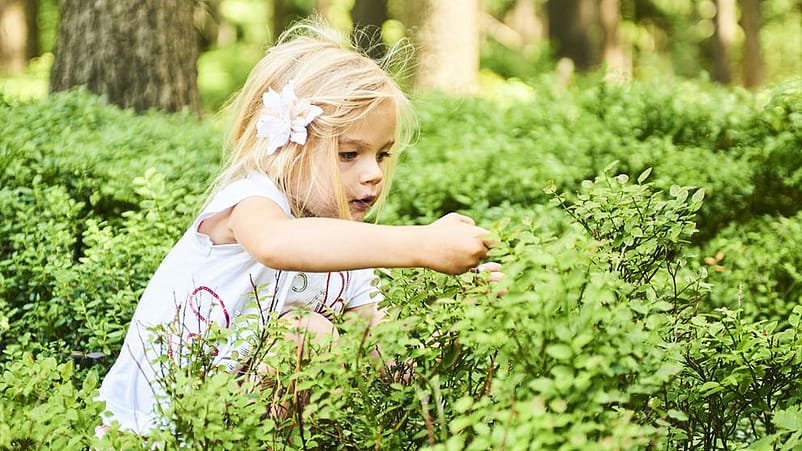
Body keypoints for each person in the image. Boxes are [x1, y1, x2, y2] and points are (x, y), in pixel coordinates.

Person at [96, 19, 502, 435]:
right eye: (348, 154)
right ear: (288, 146)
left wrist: (458, 315)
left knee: (314, 337)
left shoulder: (342, 241)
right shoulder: (251, 201)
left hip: (230, 415)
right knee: (307, 333)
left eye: (381, 155)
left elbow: (389, 360)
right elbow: (278, 243)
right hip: (151, 428)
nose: (373, 174)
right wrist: (422, 245)